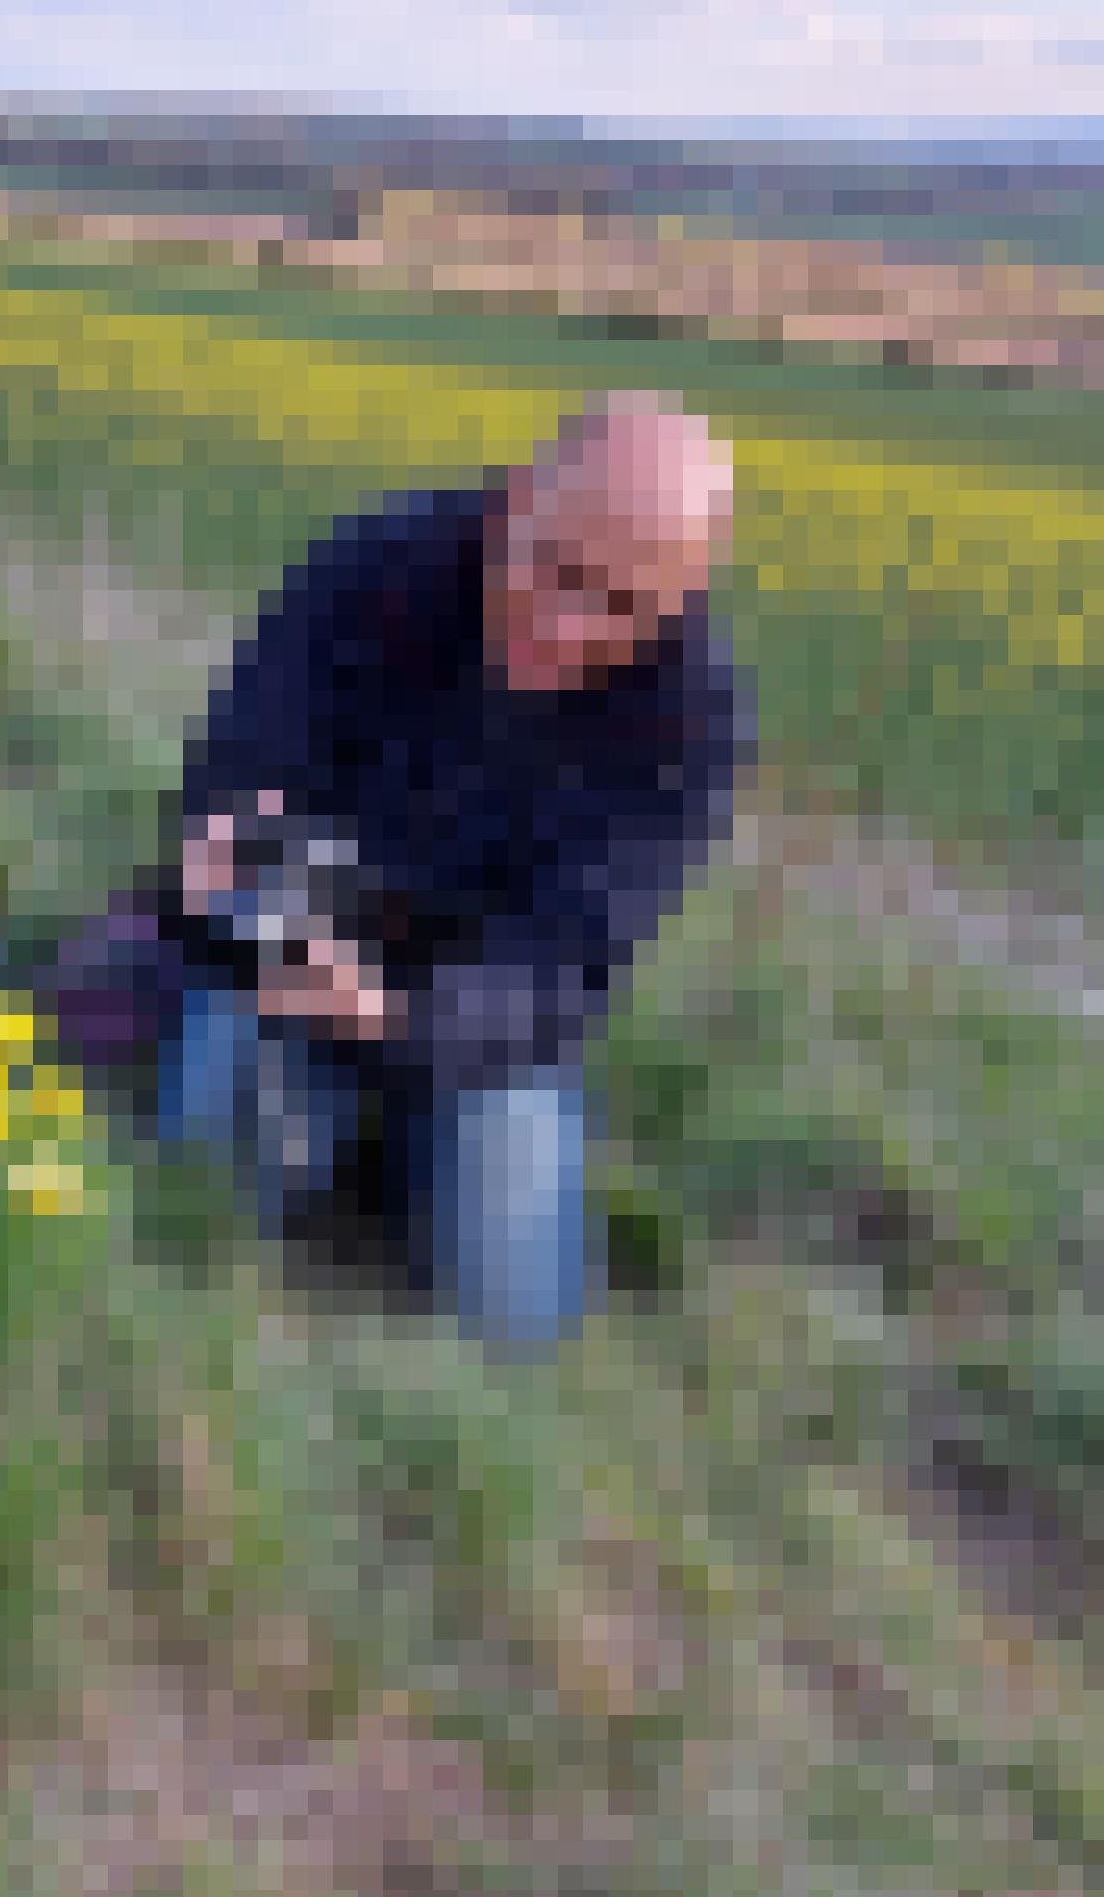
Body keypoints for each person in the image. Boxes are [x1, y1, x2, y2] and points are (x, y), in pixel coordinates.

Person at [115, 389, 749, 1347]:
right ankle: (299, 1129)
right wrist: (223, 838)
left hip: (479, 1002)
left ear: (685, 597)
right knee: (183, 1241)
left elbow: (567, 965)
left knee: (515, 1329)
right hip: (307, 922)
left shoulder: (694, 722)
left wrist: (407, 1017)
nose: (565, 625)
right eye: (552, 568)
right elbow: (242, 765)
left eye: (624, 606)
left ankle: (382, 1153)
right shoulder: (374, 565)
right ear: (514, 499)